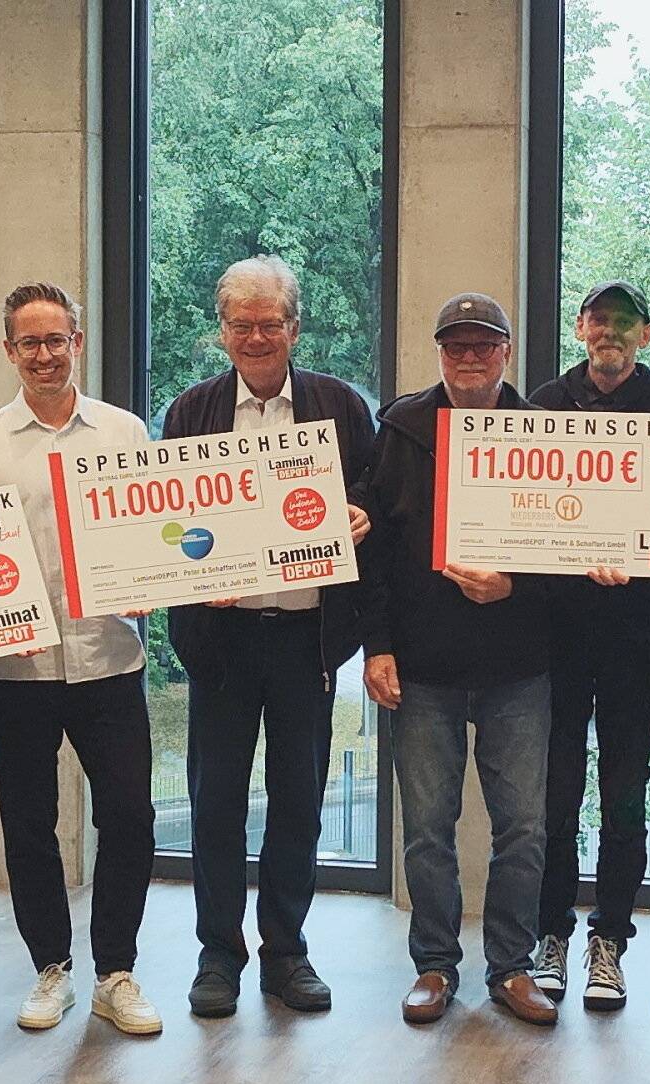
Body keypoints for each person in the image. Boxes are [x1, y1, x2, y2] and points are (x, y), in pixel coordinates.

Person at [161, 255, 374, 1019]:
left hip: (305, 640)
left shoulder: (340, 406)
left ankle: (286, 951)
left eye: (270, 323)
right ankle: (218, 953)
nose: (256, 337)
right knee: (215, 800)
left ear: (295, 327)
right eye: (241, 324)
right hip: (221, 639)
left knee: (300, 801)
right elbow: (168, 523)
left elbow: (373, 495)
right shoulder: (190, 411)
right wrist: (194, 574)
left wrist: (361, 514)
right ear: (222, 331)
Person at [0, 282, 161, 1035]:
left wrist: (152, 580)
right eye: (30, 342)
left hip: (110, 656)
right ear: (10, 350)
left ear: (78, 341)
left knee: (130, 815)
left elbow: (150, 532)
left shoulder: (125, 431)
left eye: (56, 339)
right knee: (29, 823)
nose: (45, 355)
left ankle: (116, 971)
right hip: (16, 670)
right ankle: (51, 969)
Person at [360, 292, 557, 1027]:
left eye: (483, 344)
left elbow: (568, 551)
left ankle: (511, 966)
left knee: (524, 827)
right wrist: (377, 646)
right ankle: (435, 965)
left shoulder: (544, 432)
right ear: (439, 352)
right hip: (423, 669)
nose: (469, 357)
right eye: (455, 346)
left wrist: (514, 585)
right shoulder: (399, 428)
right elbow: (374, 550)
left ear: (508, 351)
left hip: (518, 669)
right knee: (425, 828)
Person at [527, 281, 650, 1012]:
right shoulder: (542, 406)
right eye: (600, 320)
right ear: (580, 327)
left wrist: (641, 557)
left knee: (625, 792)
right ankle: (551, 934)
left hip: (634, 636)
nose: (612, 333)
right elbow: (520, 514)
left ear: (646, 335)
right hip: (555, 637)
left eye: (626, 323)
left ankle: (610, 941)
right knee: (555, 793)